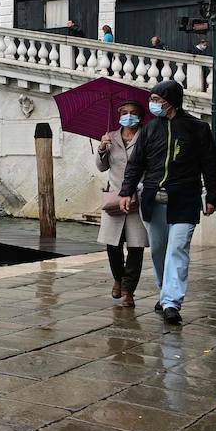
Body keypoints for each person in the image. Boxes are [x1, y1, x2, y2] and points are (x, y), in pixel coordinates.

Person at [119, 80, 216, 325]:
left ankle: (171, 302)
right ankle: (164, 290)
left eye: (158, 100)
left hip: (185, 199)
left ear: (172, 101)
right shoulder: (149, 129)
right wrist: (126, 192)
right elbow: (136, 164)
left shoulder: (197, 129)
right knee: (158, 250)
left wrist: (213, 196)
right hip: (153, 200)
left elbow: (211, 165)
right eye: (152, 99)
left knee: (177, 249)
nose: (153, 104)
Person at [97, 102, 148, 308]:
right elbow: (101, 167)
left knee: (136, 248)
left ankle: (128, 291)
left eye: (134, 114)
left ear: (140, 117)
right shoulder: (110, 136)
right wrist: (102, 148)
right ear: (119, 115)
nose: (129, 117)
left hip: (138, 198)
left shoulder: (147, 137)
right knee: (113, 245)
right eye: (125, 113)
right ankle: (118, 278)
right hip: (115, 198)